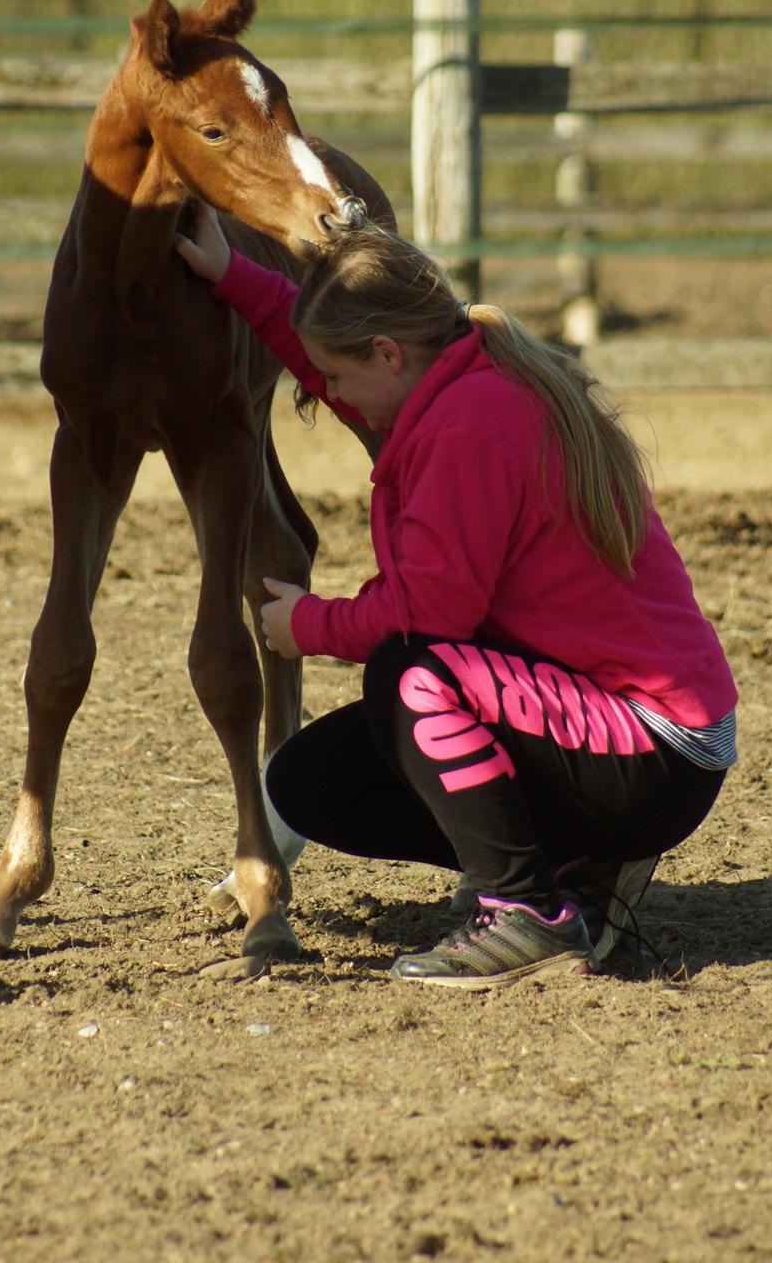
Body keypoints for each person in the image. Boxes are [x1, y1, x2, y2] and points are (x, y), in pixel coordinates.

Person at [175, 203, 738, 990]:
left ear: (388, 353)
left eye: (338, 377)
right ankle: (582, 870)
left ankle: (523, 912)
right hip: (623, 728)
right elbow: (346, 376)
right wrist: (234, 277)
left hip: (656, 749)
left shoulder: (469, 427)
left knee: (410, 675)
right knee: (311, 781)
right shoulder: (466, 379)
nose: (334, 397)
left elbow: (430, 614)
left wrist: (308, 624)